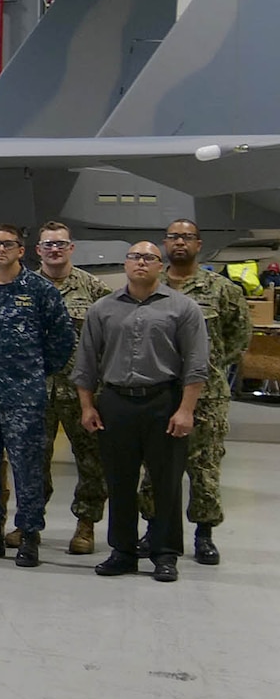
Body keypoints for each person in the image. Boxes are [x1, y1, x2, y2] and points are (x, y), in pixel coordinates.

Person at [74, 242, 209, 582]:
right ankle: (122, 551)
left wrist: (186, 410)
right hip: (116, 402)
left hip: (163, 401)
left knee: (165, 482)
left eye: (149, 258)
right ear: (126, 264)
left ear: (160, 266)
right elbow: (86, 362)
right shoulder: (102, 309)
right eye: (135, 257)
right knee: (119, 480)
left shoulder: (183, 308)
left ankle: (165, 554)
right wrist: (87, 405)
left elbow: (196, 364)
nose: (141, 263)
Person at [0, 224, 76, 567]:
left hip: (25, 395)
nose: (1, 250)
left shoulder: (40, 290)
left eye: (8, 244)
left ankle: (29, 536)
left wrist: (35, 370)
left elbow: (62, 340)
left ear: (22, 250)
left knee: (28, 468)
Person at [142, 219, 251, 565]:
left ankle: (204, 534)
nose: (179, 243)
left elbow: (238, 338)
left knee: (204, 467)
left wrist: (208, 365)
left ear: (199, 244)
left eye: (186, 237)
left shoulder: (221, 289)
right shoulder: (149, 289)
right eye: (173, 237)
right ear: (164, 243)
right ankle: (154, 528)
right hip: (158, 390)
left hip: (207, 395)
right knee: (155, 466)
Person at [33, 221, 114, 555]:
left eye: (60, 244)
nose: (54, 249)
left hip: (82, 394)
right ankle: (30, 524)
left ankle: (86, 525)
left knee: (91, 462)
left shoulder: (94, 290)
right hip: (35, 391)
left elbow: (114, 335)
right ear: (38, 250)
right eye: (48, 244)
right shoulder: (25, 287)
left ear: (71, 248)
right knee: (33, 461)